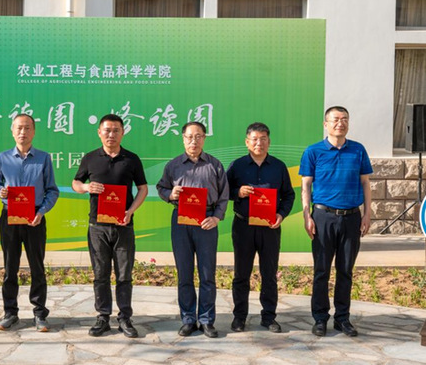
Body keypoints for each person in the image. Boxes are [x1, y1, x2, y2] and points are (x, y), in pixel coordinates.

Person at [72, 114, 148, 338]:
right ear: (99, 132)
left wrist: (130, 211)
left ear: (123, 133)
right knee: (100, 274)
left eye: (116, 130)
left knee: (124, 274)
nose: (111, 134)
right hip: (97, 226)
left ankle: (125, 317)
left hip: (123, 225)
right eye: (107, 130)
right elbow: (76, 183)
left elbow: (143, 188)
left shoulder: (131, 159)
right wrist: (86, 188)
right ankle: (103, 317)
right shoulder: (90, 158)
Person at [300, 106, 372, 337]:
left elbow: (365, 183)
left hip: (351, 217)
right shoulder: (313, 151)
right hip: (323, 217)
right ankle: (320, 318)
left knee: (346, 270)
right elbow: (306, 185)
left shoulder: (358, 150)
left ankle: (342, 318)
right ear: (326, 124)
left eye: (344, 119)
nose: (340, 123)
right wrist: (307, 215)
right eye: (335, 119)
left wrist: (367, 213)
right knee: (321, 270)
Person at [156, 121, 229, 338]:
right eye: (189, 137)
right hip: (181, 220)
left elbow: (224, 195)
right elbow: (161, 187)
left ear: (204, 138)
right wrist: (170, 194)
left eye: (198, 136)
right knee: (184, 273)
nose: (193, 141)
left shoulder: (215, 165)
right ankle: (188, 319)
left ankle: (206, 320)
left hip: (206, 221)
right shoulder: (173, 165)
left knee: (207, 274)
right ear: (183, 139)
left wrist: (216, 218)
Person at [0, 114, 59, 332]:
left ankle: (39, 313)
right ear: (12, 131)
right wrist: (0, 192)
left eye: (27, 128)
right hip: (9, 217)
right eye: (19, 128)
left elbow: (52, 190)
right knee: (10, 267)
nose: (23, 132)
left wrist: (41, 212)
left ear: (34, 131)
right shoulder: (3, 157)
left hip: (34, 218)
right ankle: (10, 313)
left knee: (37, 267)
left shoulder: (43, 158)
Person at [226, 122, 295, 333]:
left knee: (269, 273)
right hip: (243, 226)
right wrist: (238, 192)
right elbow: (223, 191)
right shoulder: (237, 166)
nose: (259, 143)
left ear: (269, 142)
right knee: (241, 274)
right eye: (255, 139)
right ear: (247, 142)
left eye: (263, 139)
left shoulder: (278, 166)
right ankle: (239, 317)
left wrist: (281, 214)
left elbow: (289, 195)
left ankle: (268, 317)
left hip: (269, 227)